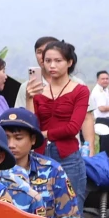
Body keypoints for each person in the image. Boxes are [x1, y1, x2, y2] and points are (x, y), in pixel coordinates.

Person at [26, 40, 90, 202]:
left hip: (68, 157)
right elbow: (31, 127)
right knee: (41, 208)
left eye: (58, 61)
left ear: (69, 62)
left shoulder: (80, 90)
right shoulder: (39, 92)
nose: (52, 66)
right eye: (48, 61)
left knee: (73, 210)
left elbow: (73, 128)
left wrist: (44, 134)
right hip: (39, 157)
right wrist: (29, 98)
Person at [90, 70, 109, 153]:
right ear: (98, 80)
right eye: (103, 79)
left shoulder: (105, 90)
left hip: (108, 122)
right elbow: (102, 108)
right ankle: (103, 164)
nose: (105, 81)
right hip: (105, 121)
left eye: (107, 79)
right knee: (106, 147)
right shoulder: (98, 92)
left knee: (108, 146)